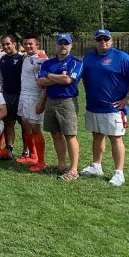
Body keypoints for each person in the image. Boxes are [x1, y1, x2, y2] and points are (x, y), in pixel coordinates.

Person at [80, 29, 129, 186]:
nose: (103, 41)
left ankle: (119, 172)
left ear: (111, 41)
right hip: (93, 106)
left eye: (106, 39)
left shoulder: (121, 57)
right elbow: (85, 77)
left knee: (116, 138)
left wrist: (128, 98)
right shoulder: (89, 57)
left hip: (113, 108)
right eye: (99, 39)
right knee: (97, 136)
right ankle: (96, 165)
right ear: (95, 41)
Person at [36, 33, 83, 176]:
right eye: (60, 43)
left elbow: (68, 80)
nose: (63, 46)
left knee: (70, 134)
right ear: (56, 45)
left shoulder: (76, 62)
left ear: (71, 45)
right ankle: (62, 166)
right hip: (51, 100)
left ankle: (73, 169)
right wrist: (59, 77)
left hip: (67, 102)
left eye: (66, 43)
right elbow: (39, 82)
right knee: (55, 134)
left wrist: (49, 75)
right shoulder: (48, 63)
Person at [16, 35, 48, 164]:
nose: (28, 46)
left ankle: (41, 161)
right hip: (23, 96)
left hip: (34, 97)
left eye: (31, 44)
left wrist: (42, 100)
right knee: (26, 125)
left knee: (35, 128)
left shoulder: (42, 59)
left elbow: (44, 82)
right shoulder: (26, 57)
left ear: (37, 45)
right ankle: (32, 155)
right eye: (25, 44)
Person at [0, 35, 24, 157]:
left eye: (8, 44)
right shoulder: (2, 59)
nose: (6, 46)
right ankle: (9, 149)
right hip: (7, 96)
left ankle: (26, 150)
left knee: (25, 125)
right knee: (9, 123)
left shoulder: (22, 58)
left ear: (14, 44)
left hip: (21, 96)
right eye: (3, 44)